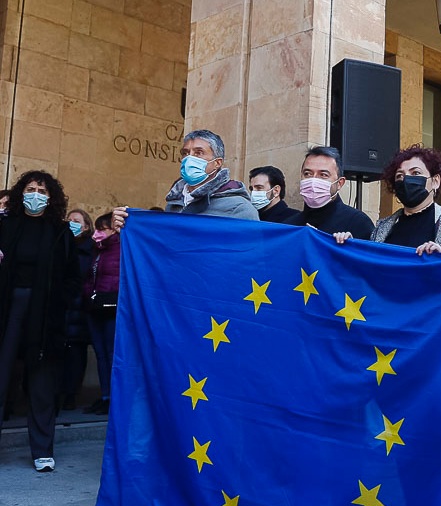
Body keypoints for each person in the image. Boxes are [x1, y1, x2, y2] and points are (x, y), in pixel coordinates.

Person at [0, 170, 81, 472]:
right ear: (21, 192)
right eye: (31, 189)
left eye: (43, 191)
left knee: (42, 383)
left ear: (52, 198)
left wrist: (62, 299)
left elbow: (75, 275)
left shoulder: (61, 232)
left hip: (45, 313)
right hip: (8, 308)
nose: (36, 194)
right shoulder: (6, 225)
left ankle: (42, 451)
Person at [111, 130, 258, 229]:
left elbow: (250, 255)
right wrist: (126, 224)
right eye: (185, 153)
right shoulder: (174, 203)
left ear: (217, 163)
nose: (189, 158)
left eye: (199, 153)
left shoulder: (239, 208)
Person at [371, 145, 441, 254]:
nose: (406, 180)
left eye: (416, 173)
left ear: (435, 181)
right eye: (400, 176)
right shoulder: (382, 228)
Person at [283, 146, 373, 242]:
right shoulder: (289, 226)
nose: (314, 180)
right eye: (307, 174)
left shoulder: (358, 223)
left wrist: (350, 247)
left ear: (340, 183)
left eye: (323, 175)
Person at [82, 212, 120, 416]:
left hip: (112, 308)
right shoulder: (98, 251)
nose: (97, 233)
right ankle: (105, 395)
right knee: (100, 354)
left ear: (113, 230)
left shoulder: (121, 250)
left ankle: (114, 397)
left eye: (101, 229)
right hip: (95, 308)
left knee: (111, 354)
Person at [61, 209, 94, 411]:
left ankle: (70, 394)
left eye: (76, 220)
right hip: (62, 308)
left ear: (86, 226)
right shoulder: (61, 244)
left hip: (79, 310)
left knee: (75, 355)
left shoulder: (90, 250)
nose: (71, 223)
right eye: (69, 220)